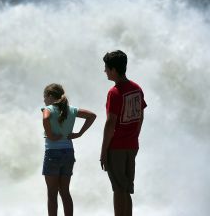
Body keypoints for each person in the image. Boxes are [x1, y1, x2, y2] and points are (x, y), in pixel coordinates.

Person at [100, 50, 147, 216]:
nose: (104, 71)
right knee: (126, 188)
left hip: (117, 148)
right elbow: (141, 116)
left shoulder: (114, 92)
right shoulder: (137, 89)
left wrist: (104, 151)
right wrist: (135, 137)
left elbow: (110, 123)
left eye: (106, 67)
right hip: (132, 145)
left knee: (118, 191)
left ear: (113, 70)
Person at [41, 83, 96, 216]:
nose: (44, 100)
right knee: (65, 192)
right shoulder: (71, 109)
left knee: (52, 194)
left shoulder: (48, 108)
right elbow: (92, 116)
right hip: (68, 152)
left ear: (49, 96)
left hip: (53, 153)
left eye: (44, 97)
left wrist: (50, 135)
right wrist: (79, 133)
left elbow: (46, 117)